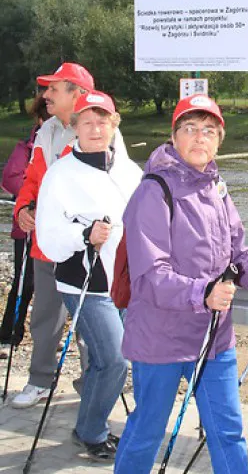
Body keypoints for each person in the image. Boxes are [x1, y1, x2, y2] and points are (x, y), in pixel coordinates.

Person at [115, 94, 248, 474]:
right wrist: (202, 293)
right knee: (147, 430)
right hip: (160, 336)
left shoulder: (216, 188)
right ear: (173, 137)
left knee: (227, 431)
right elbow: (149, 276)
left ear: (219, 139)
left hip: (214, 335)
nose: (199, 137)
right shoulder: (153, 191)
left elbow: (239, 255)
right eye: (189, 128)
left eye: (208, 130)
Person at [35, 90, 142, 461]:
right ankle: (93, 431)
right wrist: (84, 235)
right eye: (87, 122)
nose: (95, 129)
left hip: (127, 283)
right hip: (85, 285)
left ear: (114, 126)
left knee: (104, 361)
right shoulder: (60, 175)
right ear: (75, 128)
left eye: (103, 121)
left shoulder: (129, 171)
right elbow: (47, 239)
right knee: (115, 359)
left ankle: (86, 424)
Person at [12, 62, 126, 409]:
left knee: (91, 325)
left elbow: (116, 189)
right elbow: (33, 181)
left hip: (91, 249)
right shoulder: (45, 130)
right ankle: (40, 381)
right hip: (48, 245)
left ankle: (93, 382)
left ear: (76, 94)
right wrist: (23, 209)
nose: (45, 95)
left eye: (53, 89)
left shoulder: (102, 132)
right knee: (46, 315)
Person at [0, 96, 49, 358]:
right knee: (24, 282)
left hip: (56, 232)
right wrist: (34, 203)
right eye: (47, 117)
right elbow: (10, 178)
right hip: (28, 228)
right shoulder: (27, 147)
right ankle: (9, 333)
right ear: (40, 120)